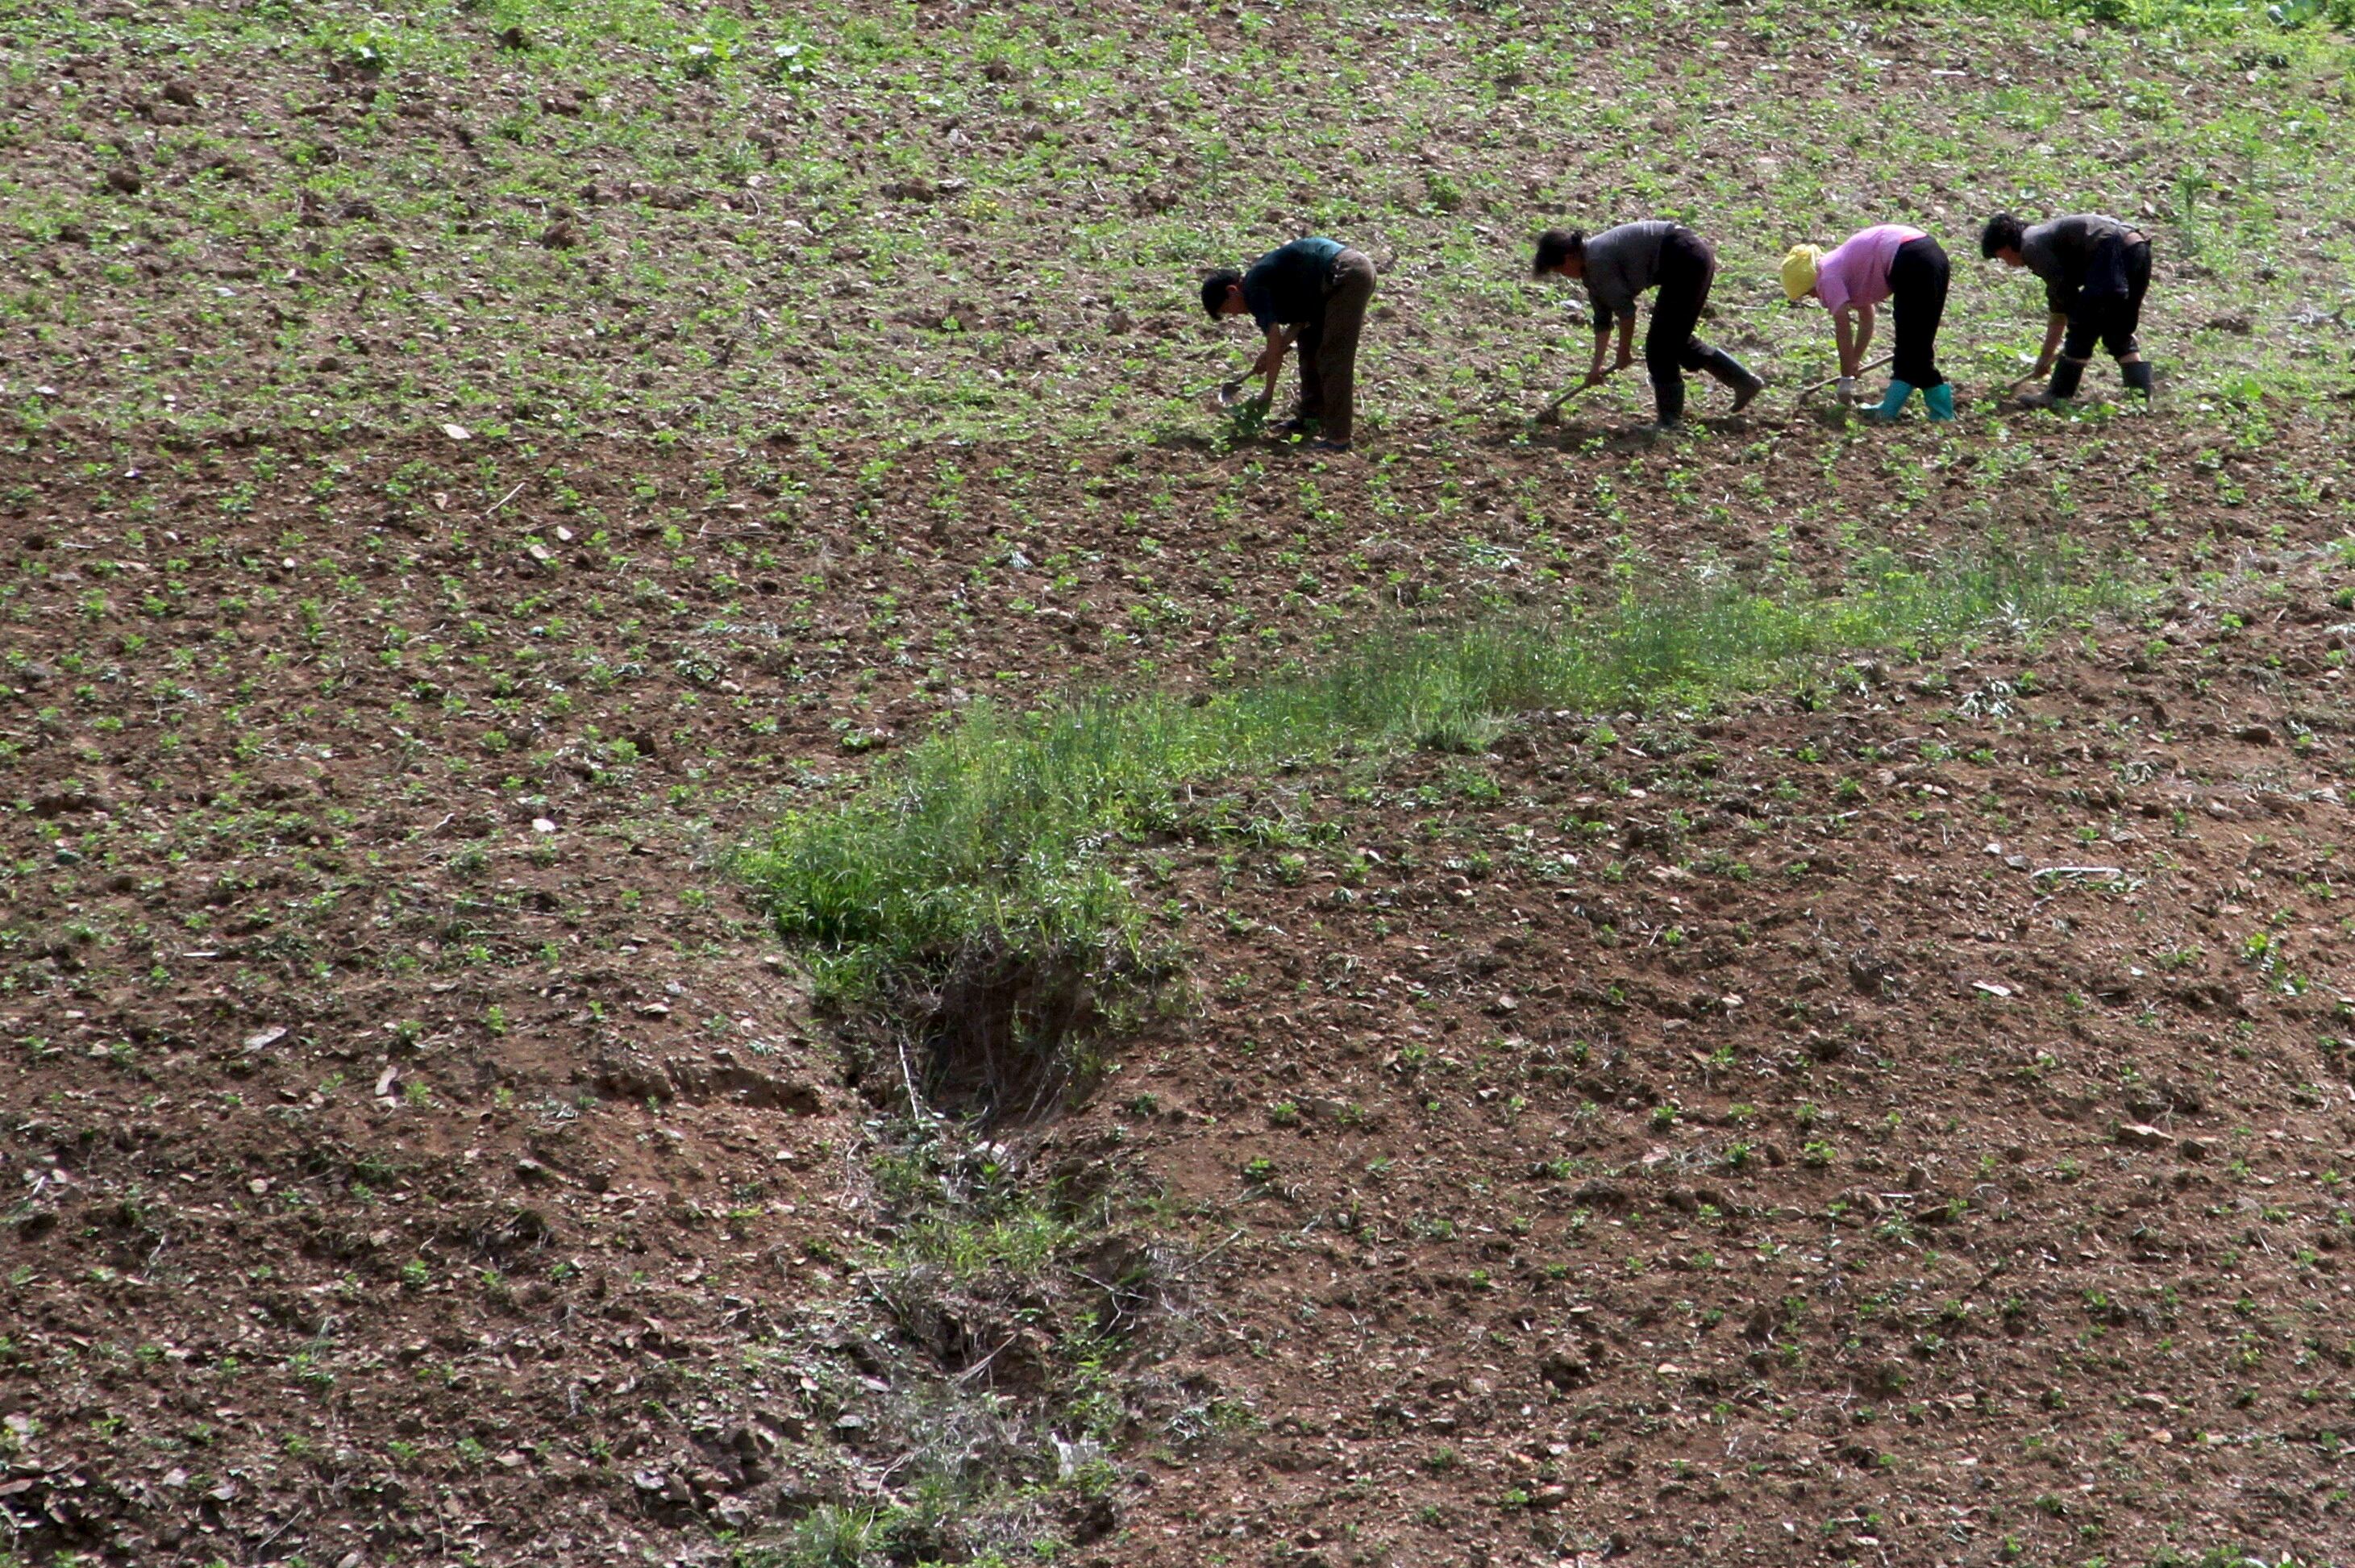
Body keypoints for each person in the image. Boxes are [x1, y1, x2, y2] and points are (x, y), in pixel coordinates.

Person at [1531, 222, 1765, 429]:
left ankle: (1669, 421)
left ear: (1570, 257)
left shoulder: (1598, 261)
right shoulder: (1590, 273)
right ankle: (1744, 382)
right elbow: (1603, 320)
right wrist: (1596, 368)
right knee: (1675, 340)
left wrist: (1623, 352)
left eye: (1560, 270)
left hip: (1686, 257)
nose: (1563, 275)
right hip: (1686, 258)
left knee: (1660, 347)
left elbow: (1626, 313)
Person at [1200, 237, 1377, 451]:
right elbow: (1299, 321)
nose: (1235, 315)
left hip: (1346, 275)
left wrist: (1267, 393)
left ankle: (1339, 438)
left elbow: (1273, 340)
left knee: (1334, 356)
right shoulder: (1265, 282)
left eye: (1228, 310)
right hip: (1332, 282)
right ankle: (1311, 417)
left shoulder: (1254, 287)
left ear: (1232, 291)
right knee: (1309, 341)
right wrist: (1275, 351)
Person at [1979, 212, 2154, 407]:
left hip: (2112, 251)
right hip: (2138, 250)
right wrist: (2045, 358)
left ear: (2004, 245)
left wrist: (2080, 328)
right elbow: (2059, 307)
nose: (2007, 264)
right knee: (2118, 332)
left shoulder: (2031, 246)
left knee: (2082, 326)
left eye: (2001, 257)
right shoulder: (2043, 241)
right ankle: (2139, 399)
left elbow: (2066, 297)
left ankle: (2058, 395)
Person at [1782, 224, 1953, 422]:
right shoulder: (1838, 266)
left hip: (1911, 260)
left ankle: (1901, 411)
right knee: (1916, 345)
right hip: (1929, 253)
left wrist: (1846, 379)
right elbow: (1866, 317)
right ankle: (1923, 410)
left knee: (1912, 346)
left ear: (1811, 282)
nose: (1813, 297)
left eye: (1808, 293)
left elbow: (1843, 328)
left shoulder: (1826, 277)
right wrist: (1854, 362)